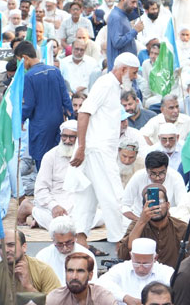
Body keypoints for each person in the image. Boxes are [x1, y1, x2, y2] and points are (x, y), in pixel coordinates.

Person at [68, 53, 139, 248]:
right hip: (96, 150)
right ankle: (121, 245)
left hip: (99, 149)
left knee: (86, 200)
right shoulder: (106, 84)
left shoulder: (113, 87)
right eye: (133, 73)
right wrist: (81, 147)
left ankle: (79, 246)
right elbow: (83, 113)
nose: (135, 77)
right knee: (114, 197)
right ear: (123, 69)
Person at [15, 41, 73, 170]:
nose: (21, 65)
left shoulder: (29, 76)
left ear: (25, 57)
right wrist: (73, 121)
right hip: (58, 125)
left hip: (40, 128)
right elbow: (66, 100)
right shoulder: (55, 71)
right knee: (59, 159)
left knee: (43, 163)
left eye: (20, 61)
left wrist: (21, 120)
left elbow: (28, 105)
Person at [0, 230, 60, 303]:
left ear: (24, 247)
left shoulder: (43, 270)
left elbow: (56, 303)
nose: (6, 250)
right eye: (1, 247)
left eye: (11, 245)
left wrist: (28, 286)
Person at [118, 184, 190, 268]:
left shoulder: (182, 228)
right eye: (150, 203)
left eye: (159, 202)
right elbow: (123, 255)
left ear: (168, 205)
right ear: (144, 207)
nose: (156, 206)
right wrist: (142, 221)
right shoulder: (137, 225)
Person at [98, 238, 174, 304]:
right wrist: (124, 297)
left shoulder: (166, 272)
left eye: (146, 264)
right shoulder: (121, 269)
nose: (141, 268)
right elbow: (100, 284)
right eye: (137, 263)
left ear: (155, 258)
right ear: (131, 256)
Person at [35, 216, 98, 286]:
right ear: (53, 240)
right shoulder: (43, 256)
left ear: (75, 237)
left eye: (68, 243)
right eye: (60, 244)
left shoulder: (87, 255)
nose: (65, 248)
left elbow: (92, 285)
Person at [46, 252, 115, 303]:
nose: (74, 276)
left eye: (80, 271)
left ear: (90, 275)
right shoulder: (55, 298)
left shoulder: (103, 298)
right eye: (70, 271)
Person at [106, 0, 143, 69]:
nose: (135, 5)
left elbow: (139, 11)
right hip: (120, 70)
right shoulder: (116, 17)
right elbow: (117, 42)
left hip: (127, 68)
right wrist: (135, 31)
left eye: (135, 2)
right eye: (133, 2)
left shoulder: (124, 14)